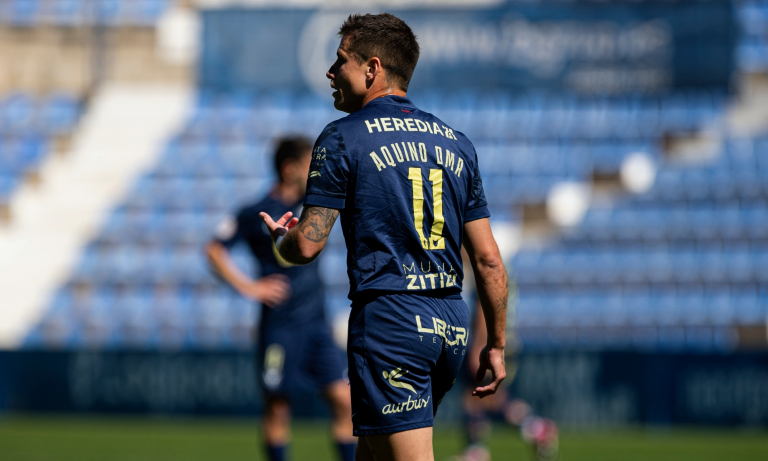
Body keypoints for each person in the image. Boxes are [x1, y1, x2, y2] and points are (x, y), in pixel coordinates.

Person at [259, 13, 508, 461]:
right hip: (449, 324)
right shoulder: (457, 143)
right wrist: (496, 343)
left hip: (391, 320)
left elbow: (308, 244)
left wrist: (282, 241)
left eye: (341, 62)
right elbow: (488, 260)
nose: (331, 73)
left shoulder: (342, 137)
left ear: (372, 68)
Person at [205, 137, 356, 461]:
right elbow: (214, 249)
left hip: (317, 323)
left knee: (345, 403)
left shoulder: (316, 205)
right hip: (280, 326)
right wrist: (250, 287)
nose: (315, 172)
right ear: (289, 169)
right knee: (278, 407)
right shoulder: (256, 212)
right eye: (308, 165)